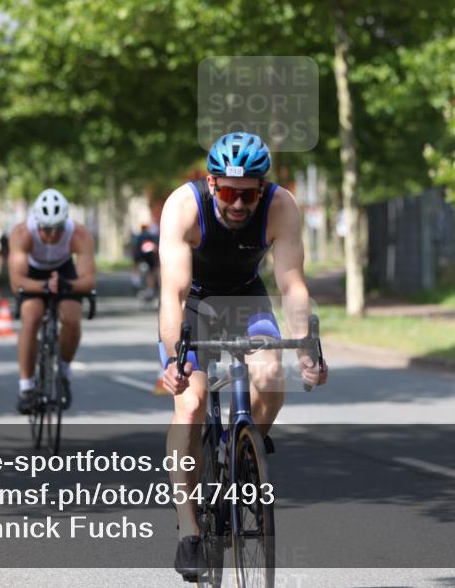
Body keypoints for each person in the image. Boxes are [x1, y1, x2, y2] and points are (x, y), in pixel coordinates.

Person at [156, 132, 329, 576]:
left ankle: (243, 454)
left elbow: (291, 283)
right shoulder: (183, 205)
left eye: (248, 195)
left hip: (247, 300)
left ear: (262, 189)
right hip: (193, 305)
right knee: (191, 405)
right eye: (230, 193)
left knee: (271, 376)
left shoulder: (281, 206)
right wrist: (178, 359)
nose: (238, 205)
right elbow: (172, 293)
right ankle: (189, 530)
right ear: (212, 184)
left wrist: (306, 348)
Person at [8, 188, 96, 414]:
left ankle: (64, 371)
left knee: (72, 318)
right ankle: (26, 387)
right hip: (33, 275)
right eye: (46, 229)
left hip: (64, 272)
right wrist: (43, 287)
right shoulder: (21, 234)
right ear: (37, 222)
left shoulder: (79, 234)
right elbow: (17, 281)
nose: (51, 235)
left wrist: (68, 285)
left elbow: (88, 280)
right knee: (31, 317)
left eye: (57, 229)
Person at [133, 222, 160, 301]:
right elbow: (156, 246)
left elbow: (136, 248)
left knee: (137, 267)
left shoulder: (138, 236)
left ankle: (136, 281)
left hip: (140, 256)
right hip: (150, 256)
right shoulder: (151, 235)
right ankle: (150, 290)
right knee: (151, 272)